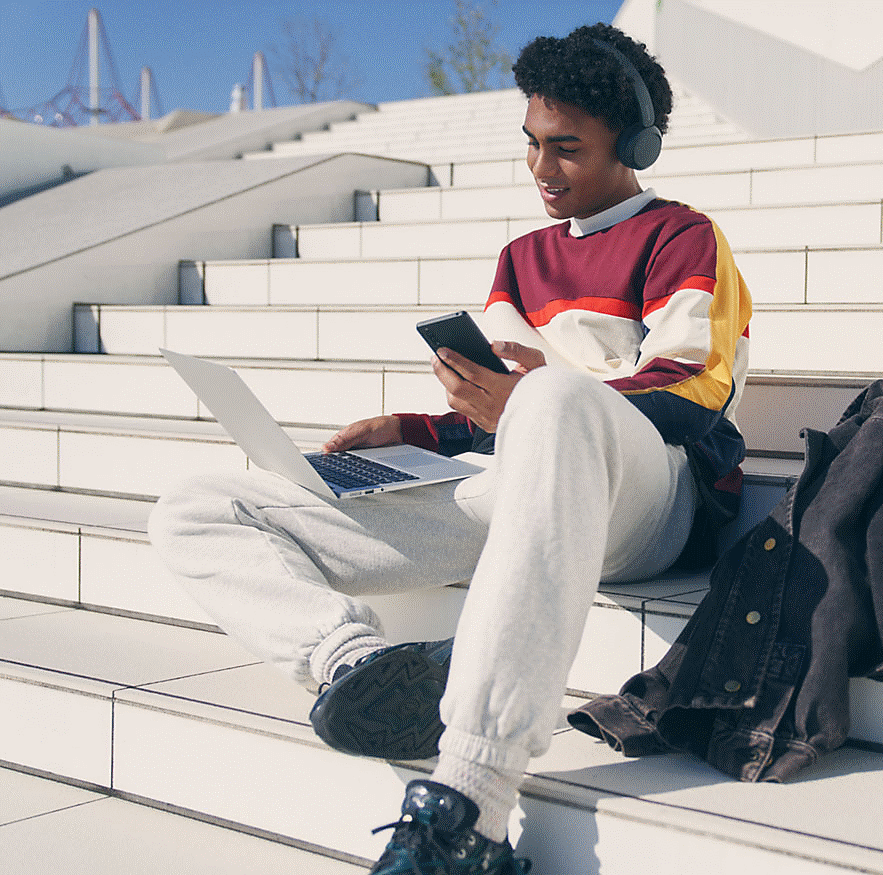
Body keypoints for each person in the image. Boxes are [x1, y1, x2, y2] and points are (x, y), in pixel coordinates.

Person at [148, 22, 751, 875]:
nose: (543, 170)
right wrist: (416, 431)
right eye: (533, 145)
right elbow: (498, 415)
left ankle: (470, 796)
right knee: (198, 505)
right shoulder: (520, 259)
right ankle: (361, 667)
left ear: (635, 144)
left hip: (648, 505)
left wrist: (537, 399)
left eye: (568, 149)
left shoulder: (682, 238)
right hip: (519, 484)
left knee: (549, 398)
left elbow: (694, 389)